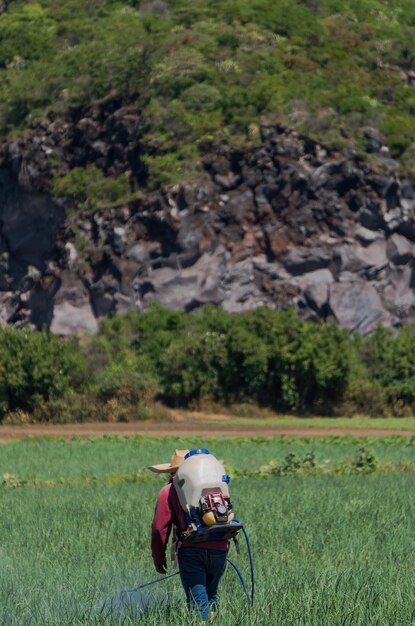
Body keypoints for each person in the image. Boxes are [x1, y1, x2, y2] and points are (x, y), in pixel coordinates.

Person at [149, 449, 229, 623]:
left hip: (192, 551)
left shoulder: (168, 491)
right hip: (220, 548)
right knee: (211, 596)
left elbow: (158, 529)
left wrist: (158, 558)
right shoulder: (214, 484)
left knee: (198, 604)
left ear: (173, 471)